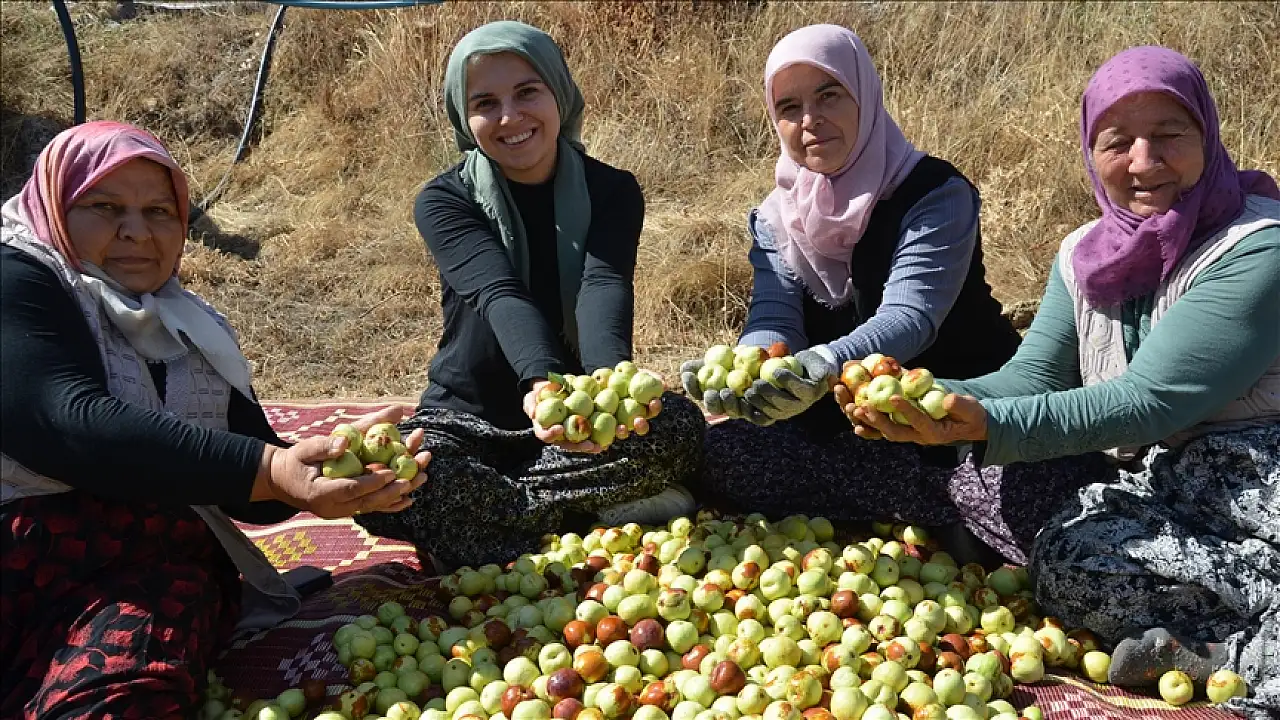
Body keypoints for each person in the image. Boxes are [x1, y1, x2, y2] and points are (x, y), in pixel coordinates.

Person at [844, 46, 1279, 719]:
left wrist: (990, 424)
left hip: (1255, 480)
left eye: (1169, 135)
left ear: (1208, 137)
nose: (1143, 162)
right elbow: (1035, 375)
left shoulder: (1258, 248)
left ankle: (1237, 647)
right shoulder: (1083, 254)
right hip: (1164, 488)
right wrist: (924, 398)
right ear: (1090, 151)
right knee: (1067, 560)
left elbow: (1149, 401)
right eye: (1118, 142)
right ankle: (1226, 643)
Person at [0, 121, 430, 718]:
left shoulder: (189, 326)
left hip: (140, 567)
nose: (136, 231)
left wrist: (325, 464)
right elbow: (65, 422)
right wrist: (271, 469)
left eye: (159, 212)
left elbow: (251, 487)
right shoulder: (19, 277)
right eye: (105, 207)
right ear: (55, 205)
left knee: (127, 695)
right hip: (20, 548)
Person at [680, 24, 1054, 553]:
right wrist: (750, 371)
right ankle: (935, 509)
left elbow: (910, 317)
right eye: (789, 107)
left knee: (1038, 491)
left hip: (952, 413)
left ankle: (937, 502)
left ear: (865, 96)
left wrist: (823, 364)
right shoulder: (777, 215)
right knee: (719, 449)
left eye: (829, 95)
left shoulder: (935, 194)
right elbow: (774, 317)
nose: (809, 120)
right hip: (849, 424)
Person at [353, 21, 704, 570]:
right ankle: (582, 510)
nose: (510, 117)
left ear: (558, 93)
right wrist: (541, 384)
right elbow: (500, 293)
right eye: (485, 103)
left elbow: (602, 284)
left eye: (526, 92)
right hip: (472, 420)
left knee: (678, 427)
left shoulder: (613, 190)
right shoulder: (444, 200)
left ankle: (497, 522)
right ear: (463, 116)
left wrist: (609, 392)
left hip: (577, 421)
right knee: (395, 478)